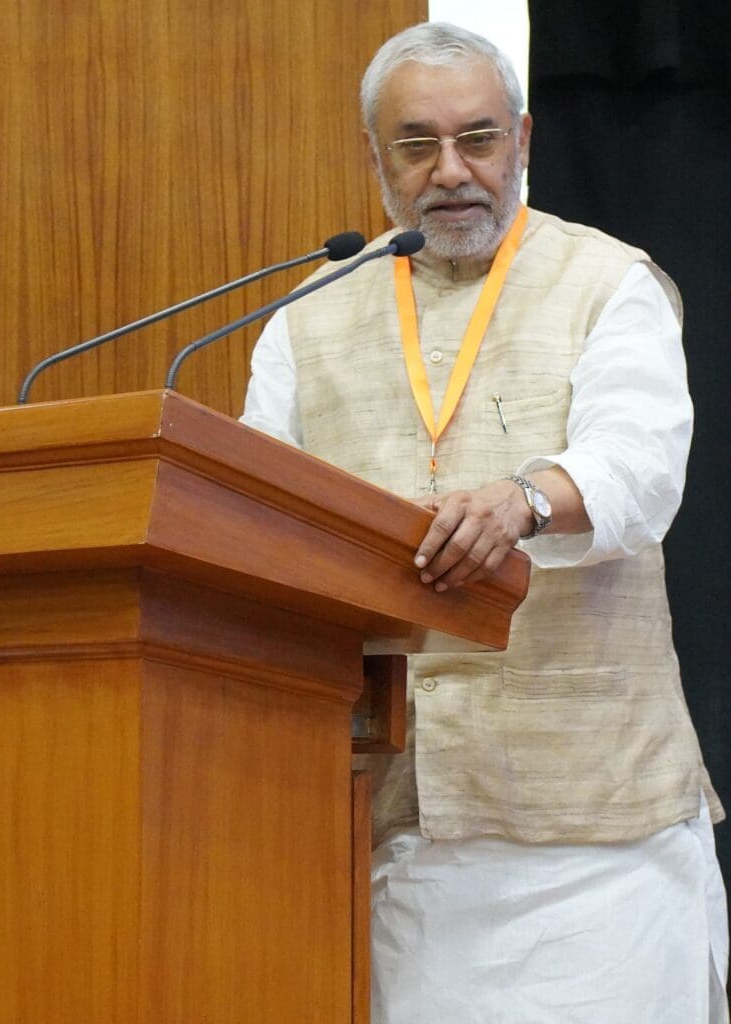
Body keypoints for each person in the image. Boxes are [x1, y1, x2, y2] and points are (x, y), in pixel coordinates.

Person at [240, 21, 730, 1024]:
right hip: (391, 822)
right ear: (373, 159)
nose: (450, 171)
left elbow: (640, 464)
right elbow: (256, 510)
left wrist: (527, 498)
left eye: (477, 139)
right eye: (416, 145)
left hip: (595, 832)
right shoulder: (306, 317)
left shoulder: (607, 281)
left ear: (523, 140)